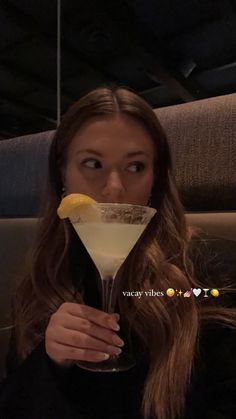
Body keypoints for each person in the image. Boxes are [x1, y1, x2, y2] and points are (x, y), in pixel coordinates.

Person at [0, 86, 236, 419]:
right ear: (62, 174)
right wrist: (50, 362)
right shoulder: (41, 280)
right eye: (92, 163)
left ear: (155, 178)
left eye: (136, 166)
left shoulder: (212, 270)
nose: (114, 187)